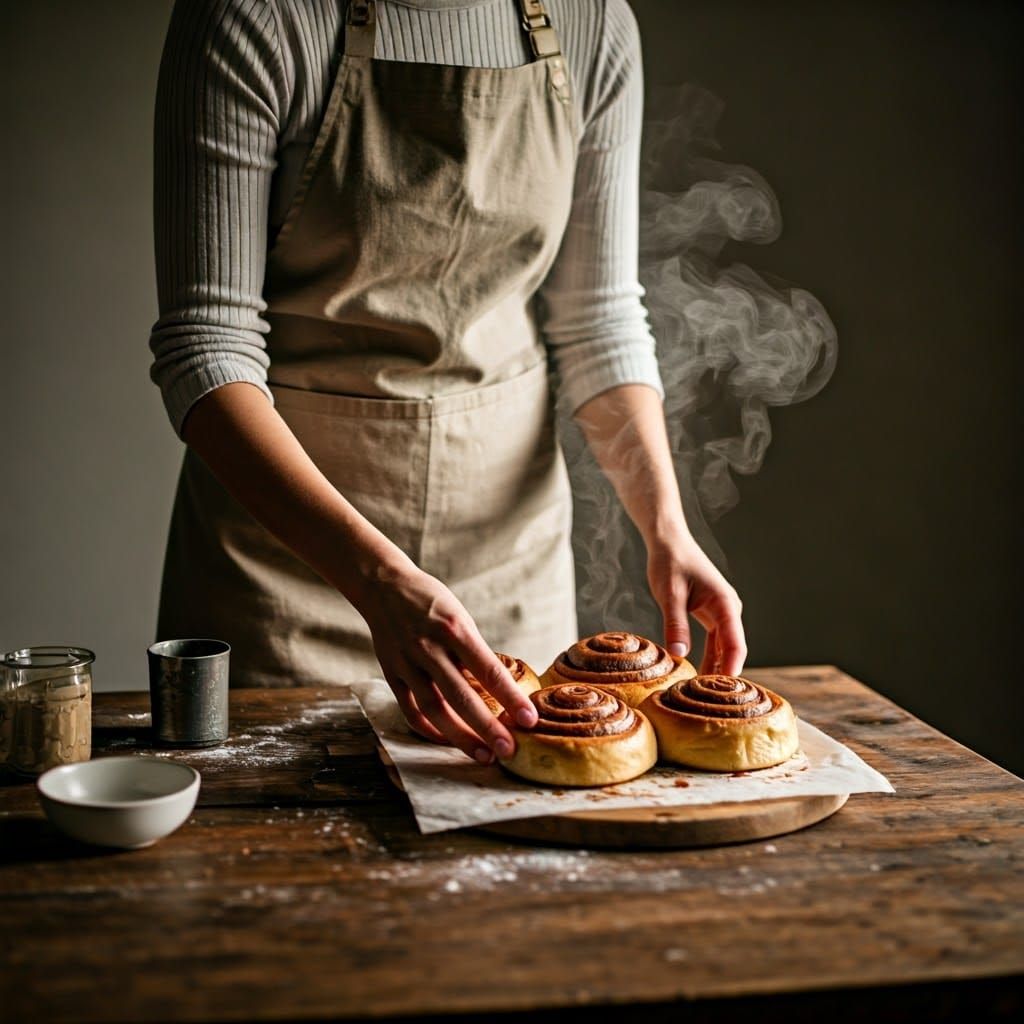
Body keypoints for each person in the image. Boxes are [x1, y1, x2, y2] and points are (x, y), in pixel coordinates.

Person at [149, 0, 746, 767]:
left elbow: (596, 320)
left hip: (508, 565)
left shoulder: (592, 22)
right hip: (288, 566)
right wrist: (376, 577)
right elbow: (207, 346)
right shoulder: (257, 17)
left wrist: (665, 525)